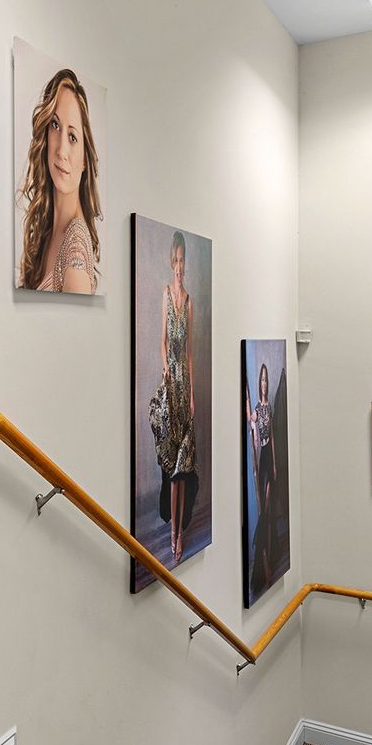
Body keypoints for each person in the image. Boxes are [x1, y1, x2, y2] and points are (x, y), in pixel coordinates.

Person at [17, 69, 101, 293]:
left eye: (73, 137)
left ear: (85, 160)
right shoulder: (46, 229)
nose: (62, 150)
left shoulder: (75, 251)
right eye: (55, 126)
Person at [148, 232, 198, 560]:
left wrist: (192, 395)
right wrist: (166, 370)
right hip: (170, 386)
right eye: (175, 260)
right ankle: (171, 531)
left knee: (184, 469)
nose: (179, 267)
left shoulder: (189, 301)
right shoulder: (166, 294)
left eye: (183, 261)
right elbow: (163, 342)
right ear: (171, 261)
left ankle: (179, 533)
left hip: (185, 390)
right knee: (173, 469)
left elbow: (189, 352)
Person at [247, 362, 277, 525]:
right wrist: (254, 430)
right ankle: (262, 543)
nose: (264, 383)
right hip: (262, 455)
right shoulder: (257, 409)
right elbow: (250, 420)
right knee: (264, 502)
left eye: (266, 380)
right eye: (262, 380)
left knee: (269, 501)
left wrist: (274, 465)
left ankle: (268, 541)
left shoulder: (269, 407)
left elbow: (272, 436)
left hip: (269, 456)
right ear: (259, 383)